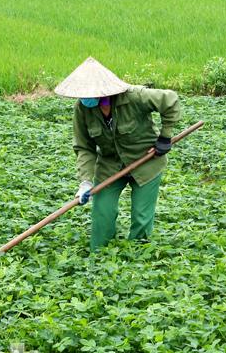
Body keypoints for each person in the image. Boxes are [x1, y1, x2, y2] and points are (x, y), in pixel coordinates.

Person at [54, 57, 182, 251]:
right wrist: (85, 181)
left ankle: (136, 258)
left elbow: (170, 100)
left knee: (141, 216)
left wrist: (165, 138)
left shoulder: (135, 97)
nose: (84, 97)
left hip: (146, 163)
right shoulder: (82, 109)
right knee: (102, 214)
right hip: (110, 166)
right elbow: (84, 147)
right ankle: (100, 258)